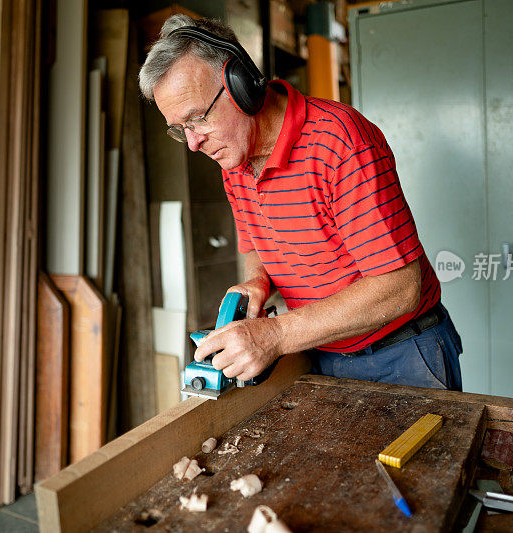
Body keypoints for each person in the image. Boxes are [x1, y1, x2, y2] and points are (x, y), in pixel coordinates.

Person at [138, 15, 463, 390]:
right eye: (181, 130)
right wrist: (256, 281)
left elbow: (400, 288)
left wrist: (275, 335)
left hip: (402, 354)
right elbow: (256, 242)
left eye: (197, 119)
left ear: (238, 84)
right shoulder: (233, 157)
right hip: (321, 352)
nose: (194, 143)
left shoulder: (339, 142)